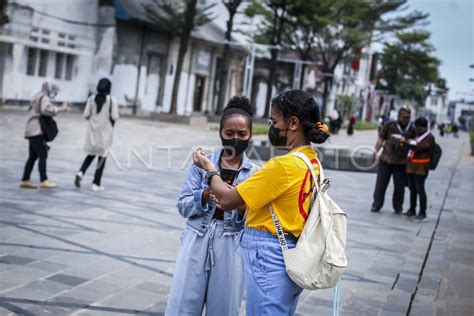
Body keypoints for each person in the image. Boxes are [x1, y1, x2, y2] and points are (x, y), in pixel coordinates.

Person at [193, 90, 329, 315]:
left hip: (269, 255)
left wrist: (209, 169)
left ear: (293, 123)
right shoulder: (311, 161)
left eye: (274, 121)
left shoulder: (282, 166)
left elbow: (227, 200)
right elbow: (246, 200)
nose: (271, 127)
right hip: (292, 251)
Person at [165, 96, 258, 316]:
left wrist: (239, 207)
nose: (236, 139)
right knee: (183, 306)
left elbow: (253, 220)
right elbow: (183, 205)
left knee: (224, 308)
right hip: (197, 237)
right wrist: (205, 195)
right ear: (220, 133)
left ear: (251, 135)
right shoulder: (201, 164)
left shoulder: (255, 173)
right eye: (229, 133)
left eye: (242, 134)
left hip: (232, 244)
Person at [20, 82, 68, 189]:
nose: (54, 95)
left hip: (31, 130)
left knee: (32, 156)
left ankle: (25, 179)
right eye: (54, 92)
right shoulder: (44, 97)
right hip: (37, 131)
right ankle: (43, 180)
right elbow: (46, 110)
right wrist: (60, 109)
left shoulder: (36, 96)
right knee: (43, 155)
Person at [74, 78, 119, 192]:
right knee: (102, 158)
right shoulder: (112, 101)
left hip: (93, 132)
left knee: (91, 154)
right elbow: (115, 117)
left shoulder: (91, 99)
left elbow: (85, 115)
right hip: (105, 133)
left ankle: (81, 172)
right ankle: (96, 183)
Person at [371, 106, 415, 213]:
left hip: (401, 162)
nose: (406, 120)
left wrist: (407, 142)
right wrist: (375, 151)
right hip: (386, 159)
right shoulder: (389, 125)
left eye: (408, 117)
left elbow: (415, 143)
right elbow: (381, 139)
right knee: (381, 184)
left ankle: (398, 207)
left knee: (399, 187)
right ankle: (377, 204)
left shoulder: (412, 128)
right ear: (398, 116)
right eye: (404, 117)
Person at [403, 117, 436, 222]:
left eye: (419, 128)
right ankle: (412, 209)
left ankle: (422, 212)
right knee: (412, 189)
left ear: (425, 127)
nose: (417, 129)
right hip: (411, 167)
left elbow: (420, 147)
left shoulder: (429, 137)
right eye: (416, 127)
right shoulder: (418, 136)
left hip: (421, 168)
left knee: (420, 189)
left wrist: (408, 142)